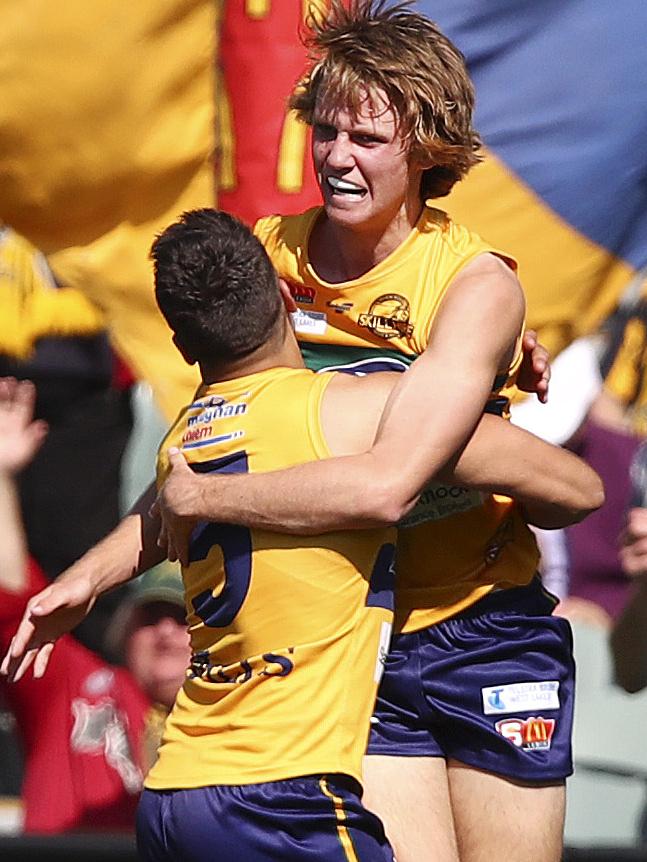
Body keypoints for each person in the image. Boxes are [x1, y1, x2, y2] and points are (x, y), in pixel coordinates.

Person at [2, 210, 602, 858]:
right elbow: (572, 489)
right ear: (288, 297)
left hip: (179, 784)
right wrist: (475, 387)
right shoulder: (352, 411)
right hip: (288, 791)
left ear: (182, 348)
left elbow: (165, 506)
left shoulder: (182, 445)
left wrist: (88, 576)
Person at [148, 5, 591, 861]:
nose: (336, 157)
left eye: (366, 138)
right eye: (325, 130)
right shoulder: (269, 254)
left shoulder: (471, 282)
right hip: (359, 643)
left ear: (427, 145)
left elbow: (382, 477)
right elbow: (208, 433)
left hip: (487, 624)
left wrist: (205, 496)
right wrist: (88, 579)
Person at [0, 378, 188, 833]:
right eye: (151, 617)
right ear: (124, 629)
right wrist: (2, 477)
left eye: (182, 619)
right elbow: (15, 601)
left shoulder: (244, 715)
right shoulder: (76, 683)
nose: (165, 632)